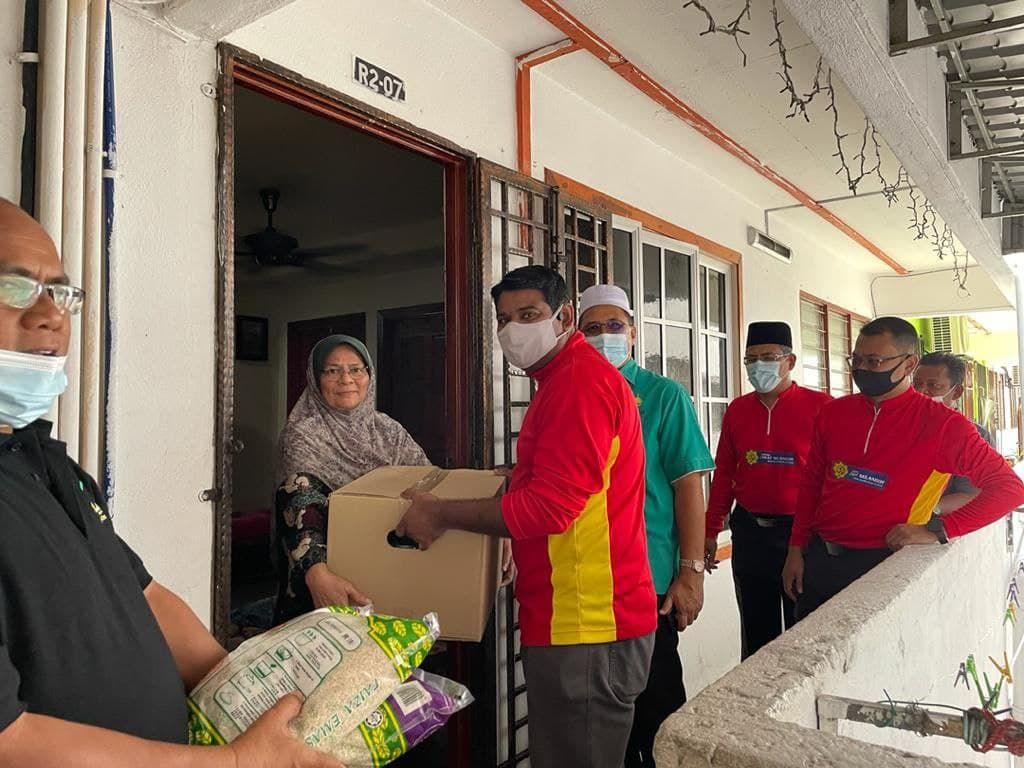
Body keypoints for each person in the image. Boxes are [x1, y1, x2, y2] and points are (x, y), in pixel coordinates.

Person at [0, 198, 340, 767]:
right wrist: (234, 762)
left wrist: (250, 691)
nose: (51, 316)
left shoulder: (45, 458)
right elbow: (10, 741)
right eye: (15, 288)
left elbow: (145, 594)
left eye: (61, 294)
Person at [395, 266, 656, 768]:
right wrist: (507, 477)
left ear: (564, 316)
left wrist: (441, 514)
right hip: (572, 616)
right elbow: (568, 481)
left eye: (529, 315)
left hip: (589, 623)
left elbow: (551, 508)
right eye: (504, 319)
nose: (514, 329)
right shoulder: (560, 380)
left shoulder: (577, 384)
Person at [781, 317, 1024, 619]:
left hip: (885, 564)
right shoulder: (833, 413)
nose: (862, 369)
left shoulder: (944, 426)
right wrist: (796, 548)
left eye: (875, 361)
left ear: (909, 365)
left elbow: (1010, 490)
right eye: (856, 360)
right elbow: (812, 484)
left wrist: (939, 530)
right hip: (821, 561)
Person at [577, 284, 712, 768]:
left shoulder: (662, 395)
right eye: (593, 328)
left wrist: (690, 571)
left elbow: (687, 485)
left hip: (648, 582)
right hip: (584, 587)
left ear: (633, 334)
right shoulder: (571, 395)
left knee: (655, 716)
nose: (604, 336)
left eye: (615, 326)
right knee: (602, 723)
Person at [273, 334, 430, 622]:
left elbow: (428, 482)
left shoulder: (388, 430)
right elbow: (299, 500)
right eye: (332, 370)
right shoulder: (303, 435)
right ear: (315, 379)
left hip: (389, 561)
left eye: (356, 369)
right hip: (325, 573)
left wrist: (488, 532)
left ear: (369, 375)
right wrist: (315, 570)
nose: (347, 379)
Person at [705, 321, 831, 658]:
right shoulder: (737, 410)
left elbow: (832, 478)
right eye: (751, 359)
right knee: (756, 633)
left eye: (768, 357)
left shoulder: (822, 408)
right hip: (750, 533)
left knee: (802, 629)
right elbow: (725, 474)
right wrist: (710, 529)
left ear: (789, 362)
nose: (758, 365)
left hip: (801, 535)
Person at [912, 351, 997, 514]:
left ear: (956, 392)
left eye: (933, 386)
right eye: (916, 384)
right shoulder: (900, 426)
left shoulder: (974, 435)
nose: (921, 392)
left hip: (934, 528)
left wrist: (925, 512)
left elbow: (970, 494)